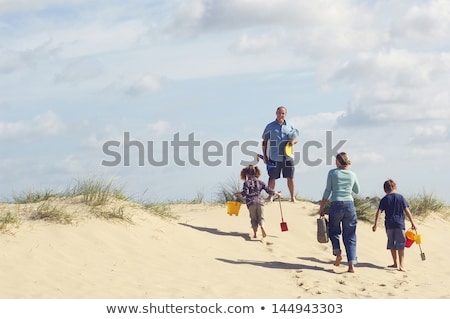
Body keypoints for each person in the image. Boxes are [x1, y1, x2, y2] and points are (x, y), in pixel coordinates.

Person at [317, 152, 360, 273]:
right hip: (349, 205)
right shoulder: (352, 174)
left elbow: (327, 191)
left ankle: (337, 252)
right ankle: (351, 265)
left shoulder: (332, 173)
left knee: (334, 231)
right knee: (350, 235)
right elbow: (357, 190)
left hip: (336, 204)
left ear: (338, 162)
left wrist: (321, 208)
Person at [372, 179, 416, 272]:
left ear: (385, 189)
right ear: (395, 187)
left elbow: (379, 212)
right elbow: (407, 210)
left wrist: (375, 224)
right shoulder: (400, 197)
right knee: (400, 244)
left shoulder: (384, 199)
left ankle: (395, 263)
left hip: (389, 224)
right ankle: (401, 265)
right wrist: (412, 222)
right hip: (399, 224)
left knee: (391, 243)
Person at [262, 106, 299, 202]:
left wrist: (293, 142)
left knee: (290, 177)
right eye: (279, 113)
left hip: (288, 156)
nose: (281, 115)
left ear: (285, 114)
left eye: (283, 113)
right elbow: (264, 141)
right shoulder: (270, 126)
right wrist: (265, 156)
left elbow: (296, 138)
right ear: (276, 113)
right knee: (272, 177)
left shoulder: (290, 126)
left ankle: (292, 197)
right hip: (274, 156)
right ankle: (270, 196)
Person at [235, 165, 281, 239]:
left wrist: (238, 194)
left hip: (251, 203)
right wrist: (277, 193)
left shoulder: (246, 183)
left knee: (253, 219)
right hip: (260, 202)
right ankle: (262, 227)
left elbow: (245, 193)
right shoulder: (260, 182)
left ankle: (255, 234)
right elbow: (268, 190)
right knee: (261, 218)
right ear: (256, 173)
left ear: (246, 174)